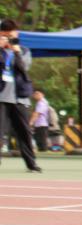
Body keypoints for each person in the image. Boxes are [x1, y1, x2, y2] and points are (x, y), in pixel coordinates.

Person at [0, 20, 41, 172]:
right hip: (1, 97)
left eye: (12, 35)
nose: (9, 38)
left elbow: (24, 68)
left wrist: (16, 51)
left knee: (24, 132)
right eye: (5, 35)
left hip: (20, 97)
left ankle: (31, 164)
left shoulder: (24, 50)